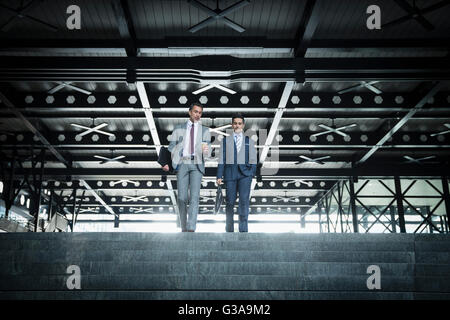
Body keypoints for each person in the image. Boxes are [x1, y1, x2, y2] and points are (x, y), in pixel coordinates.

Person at [163, 102, 211, 232]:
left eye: (200, 113)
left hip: (197, 164)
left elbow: (209, 151)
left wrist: (206, 150)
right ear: (190, 112)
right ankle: (183, 227)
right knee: (181, 198)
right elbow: (171, 147)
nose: (197, 115)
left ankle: (191, 227)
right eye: (195, 112)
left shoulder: (205, 130)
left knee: (195, 197)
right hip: (182, 163)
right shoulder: (178, 128)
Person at [216, 113, 257, 232]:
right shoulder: (225, 141)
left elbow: (254, 159)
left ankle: (243, 230)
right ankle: (229, 230)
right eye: (235, 123)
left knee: (244, 201)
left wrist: (251, 173)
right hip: (230, 174)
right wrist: (219, 175)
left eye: (239, 123)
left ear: (243, 125)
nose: (237, 125)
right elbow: (221, 159)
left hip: (245, 175)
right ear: (232, 125)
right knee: (230, 202)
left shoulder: (250, 141)